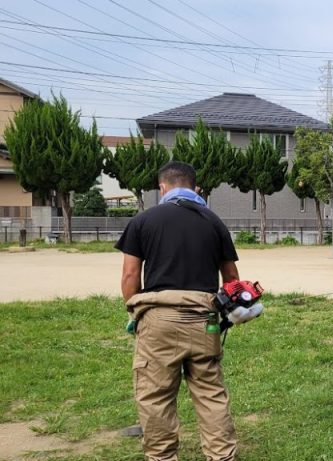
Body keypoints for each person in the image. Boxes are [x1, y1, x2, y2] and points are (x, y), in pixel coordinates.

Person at [116, 161, 240, 461]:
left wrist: (135, 314)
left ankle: (161, 457)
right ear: (196, 187)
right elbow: (233, 280)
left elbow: (131, 276)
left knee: (156, 396)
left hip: (158, 319)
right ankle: (222, 456)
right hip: (204, 319)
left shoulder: (144, 220)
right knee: (211, 394)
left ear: (162, 187)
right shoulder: (214, 222)